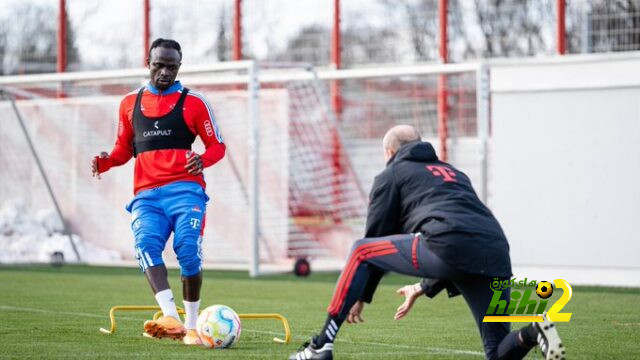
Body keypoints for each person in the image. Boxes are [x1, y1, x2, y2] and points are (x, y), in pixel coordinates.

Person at [289, 125, 563, 360]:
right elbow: (465, 235)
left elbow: (375, 237)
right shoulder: (454, 173)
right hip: (496, 251)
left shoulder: (391, 174)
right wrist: (422, 287)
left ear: (389, 152)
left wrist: (361, 295)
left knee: (361, 250)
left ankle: (320, 345)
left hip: (450, 244)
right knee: (497, 352)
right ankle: (532, 332)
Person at [91, 38, 225, 345]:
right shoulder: (129, 103)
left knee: (188, 251)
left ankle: (192, 327)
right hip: (147, 196)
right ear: (147, 63)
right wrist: (106, 162)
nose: (165, 72)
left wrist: (201, 160)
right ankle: (171, 318)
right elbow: (123, 150)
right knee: (145, 246)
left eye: (172, 66)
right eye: (159, 65)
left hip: (186, 191)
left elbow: (217, 146)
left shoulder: (195, 103)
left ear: (180, 67)